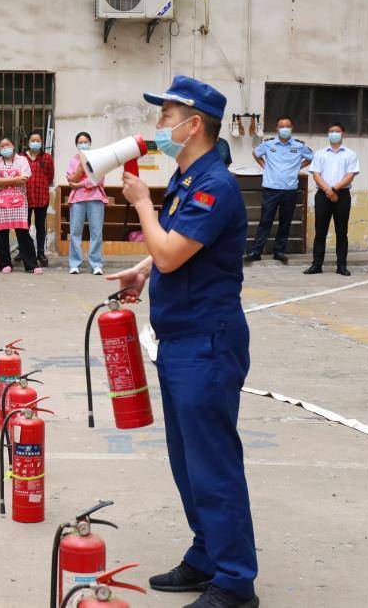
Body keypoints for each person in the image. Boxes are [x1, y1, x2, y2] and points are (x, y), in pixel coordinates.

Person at [106, 75, 258, 608]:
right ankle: (206, 554)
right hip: (179, 339)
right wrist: (145, 270)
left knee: (213, 463)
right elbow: (174, 252)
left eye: (167, 115)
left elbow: (173, 250)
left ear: (194, 125)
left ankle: (236, 582)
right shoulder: (190, 178)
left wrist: (142, 204)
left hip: (206, 342)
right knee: (186, 460)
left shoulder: (214, 184)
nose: (158, 125)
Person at [245, 116, 311, 265]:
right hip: (271, 189)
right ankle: (256, 251)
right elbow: (255, 154)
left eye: (287, 126)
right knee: (265, 221)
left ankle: (279, 251)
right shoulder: (268, 144)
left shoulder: (299, 146)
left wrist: (299, 167)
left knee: (285, 221)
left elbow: (311, 158)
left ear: (292, 128)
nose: (285, 129)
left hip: (289, 189)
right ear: (277, 128)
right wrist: (264, 165)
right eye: (282, 126)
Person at [304, 124, 359, 276]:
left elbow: (350, 175)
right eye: (331, 132)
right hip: (323, 194)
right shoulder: (320, 154)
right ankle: (316, 265)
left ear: (343, 134)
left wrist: (334, 189)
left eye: (337, 131)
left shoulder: (350, 154)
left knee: (342, 232)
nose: (334, 134)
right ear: (327, 134)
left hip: (342, 195)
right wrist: (328, 190)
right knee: (320, 231)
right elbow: (315, 174)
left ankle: (341, 266)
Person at [0, 137, 40, 274]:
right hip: (0, 202)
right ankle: (4, 264)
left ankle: (31, 265)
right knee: (1, 233)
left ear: (13, 145)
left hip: (18, 201)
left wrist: (4, 181)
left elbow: (24, 178)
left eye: (7, 144)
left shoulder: (22, 160)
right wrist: (15, 180)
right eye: (2, 146)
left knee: (23, 232)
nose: (5, 147)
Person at [67, 132, 108, 276]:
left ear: (90, 143)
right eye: (80, 142)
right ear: (76, 145)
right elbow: (71, 179)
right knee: (75, 232)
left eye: (85, 142)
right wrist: (80, 167)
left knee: (96, 232)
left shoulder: (98, 159)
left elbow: (98, 180)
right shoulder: (73, 160)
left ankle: (96, 264)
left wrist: (79, 185)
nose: (83, 144)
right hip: (77, 200)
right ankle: (74, 264)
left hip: (96, 198)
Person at [24, 130, 55, 267]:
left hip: (42, 197)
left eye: (38, 141)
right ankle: (24, 249)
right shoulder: (21, 157)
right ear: (28, 142)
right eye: (33, 140)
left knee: (40, 226)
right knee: (24, 226)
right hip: (25, 197)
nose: (35, 143)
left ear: (42, 143)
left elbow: (50, 176)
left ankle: (41, 252)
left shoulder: (47, 158)